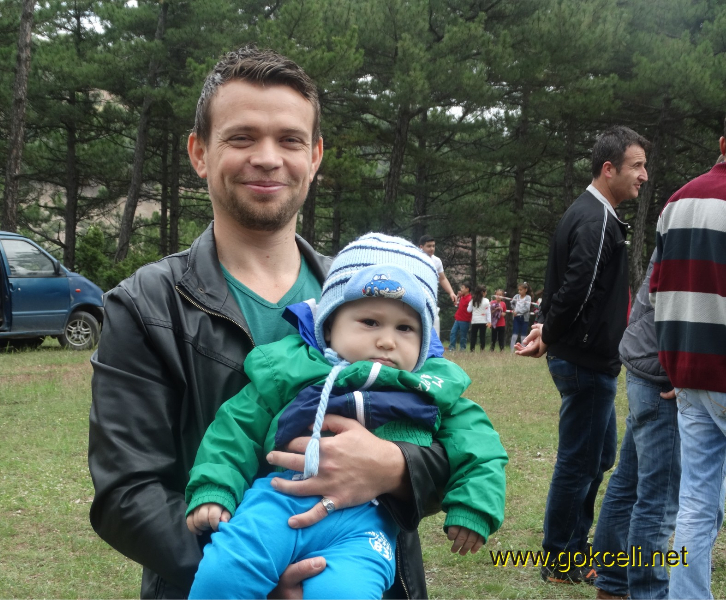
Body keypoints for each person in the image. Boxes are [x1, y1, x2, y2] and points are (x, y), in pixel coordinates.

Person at [88, 46, 454, 599]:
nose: (267, 158)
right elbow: (126, 493)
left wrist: (397, 467)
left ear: (315, 156)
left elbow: (453, 435)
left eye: (289, 140)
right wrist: (248, 572)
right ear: (199, 152)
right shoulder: (145, 306)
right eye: (241, 138)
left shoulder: (384, 296)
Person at [185, 233, 508, 599]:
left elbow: (480, 446)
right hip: (278, 502)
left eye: (405, 327)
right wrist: (215, 487)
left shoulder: (434, 389)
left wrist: (474, 505)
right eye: (370, 321)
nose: (387, 340)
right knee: (223, 574)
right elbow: (236, 426)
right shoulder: (289, 369)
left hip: (367, 528)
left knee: (345, 592)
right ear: (329, 323)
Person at [516, 126, 649, 585]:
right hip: (586, 362)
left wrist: (548, 330)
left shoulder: (595, 214)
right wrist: (552, 334)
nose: (644, 175)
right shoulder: (595, 219)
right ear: (608, 169)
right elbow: (576, 290)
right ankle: (561, 559)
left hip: (588, 360)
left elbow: (566, 287)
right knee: (579, 462)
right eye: (637, 166)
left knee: (598, 456)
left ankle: (574, 546)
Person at [650, 125, 726, 600]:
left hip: (689, 373)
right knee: (697, 500)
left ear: (722, 145)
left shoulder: (676, 202)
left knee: (696, 502)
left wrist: (676, 363)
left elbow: (657, 290)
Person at [592, 250, 680, 600]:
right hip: (664, 370)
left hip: (647, 361)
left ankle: (613, 586)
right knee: (657, 500)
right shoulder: (704, 221)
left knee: (628, 483)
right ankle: (647, 592)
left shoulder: (674, 219)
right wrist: (686, 366)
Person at [418, 235, 457, 342]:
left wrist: (451, 292)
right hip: (418, 295)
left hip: (431, 297)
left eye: (433, 246)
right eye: (428, 246)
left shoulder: (437, 261)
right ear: (421, 247)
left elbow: (442, 278)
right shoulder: (415, 259)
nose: (432, 249)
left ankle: (434, 347)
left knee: (434, 320)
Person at [448, 282, 472, 352]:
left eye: (462, 288)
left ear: (467, 289)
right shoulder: (461, 297)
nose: (461, 289)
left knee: (463, 335)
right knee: (453, 332)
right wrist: (457, 297)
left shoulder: (470, 298)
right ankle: (452, 347)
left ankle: (462, 349)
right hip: (458, 318)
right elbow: (456, 304)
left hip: (465, 320)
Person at [467, 285, 491, 352]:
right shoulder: (486, 301)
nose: (486, 293)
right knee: (482, 336)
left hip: (475, 321)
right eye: (485, 292)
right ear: (483, 292)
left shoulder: (473, 300)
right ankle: (482, 350)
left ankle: (472, 350)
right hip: (483, 321)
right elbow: (488, 312)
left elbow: (468, 310)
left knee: (473, 336)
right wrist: (489, 321)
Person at [510, 282, 532, 351]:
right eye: (518, 290)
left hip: (524, 318)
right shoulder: (516, 296)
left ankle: (523, 350)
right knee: (514, 335)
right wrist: (514, 309)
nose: (519, 291)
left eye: (521, 290)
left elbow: (527, 308)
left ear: (525, 290)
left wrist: (518, 311)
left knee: (523, 335)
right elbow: (512, 303)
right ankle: (511, 351)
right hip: (516, 318)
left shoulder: (528, 297)